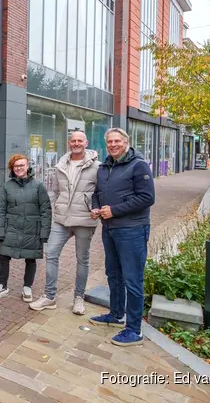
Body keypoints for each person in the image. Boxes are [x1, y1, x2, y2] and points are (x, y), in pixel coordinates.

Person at [89, 128, 155, 347]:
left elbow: (147, 197)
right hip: (110, 229)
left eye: (117, 141)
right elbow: (97, 193)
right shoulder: (104, 167)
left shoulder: (138, 165)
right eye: (109, 141)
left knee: (132, 279)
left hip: (132, 230)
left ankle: (134, 330)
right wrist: (96, 208)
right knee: (113, 274)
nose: (113, 145)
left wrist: (114, 210)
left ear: (126, 142)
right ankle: (116, 314)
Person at [30, 131, 99, 314]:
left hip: (84, 219)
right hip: (61, 219)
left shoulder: (97, 166)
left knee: (82, 259)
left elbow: (101, 192)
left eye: (80, 140)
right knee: (51, 253)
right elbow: (54, 190)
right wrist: (56, 207)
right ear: (69, 143)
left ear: (86, 142)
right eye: (73, 140)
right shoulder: (60, 164)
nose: (76, 143)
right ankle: (49, 296)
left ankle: (78, 298)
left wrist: (95, 209)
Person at [0, 154, 52, 301]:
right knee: (4, 256)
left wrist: (44, 233)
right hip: (10, 228)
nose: (19, 168)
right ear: (12, 168)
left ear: (27, 167)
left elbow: (46, 210)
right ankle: (2, 285)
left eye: (22, 165)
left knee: (30, 258)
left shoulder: (38, 186)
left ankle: (27, 287)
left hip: (32, 229)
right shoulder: (7, 186)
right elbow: (0, 211)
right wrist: (0, 232)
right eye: (16, 166)